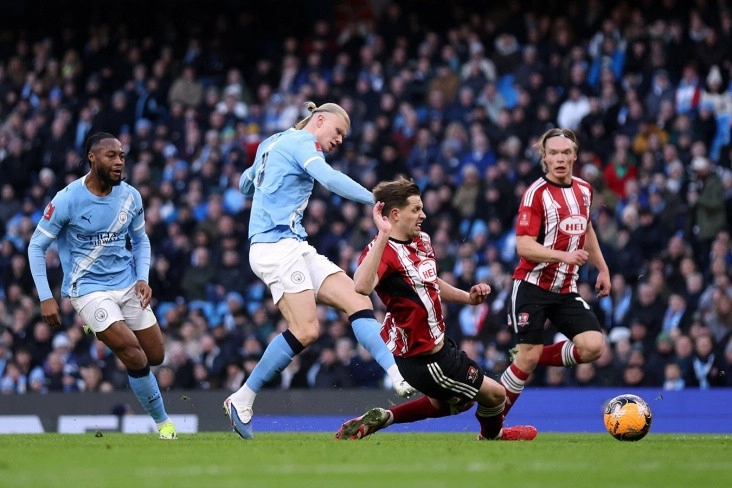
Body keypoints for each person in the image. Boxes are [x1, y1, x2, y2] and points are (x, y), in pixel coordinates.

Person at [223, 102, 415, 440]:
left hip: (294, 245)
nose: (339, 139)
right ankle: (243, 398)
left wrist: (262, 177)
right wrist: (376, 201)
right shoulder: (303, 143)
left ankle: (396, 374)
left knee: (358, 298)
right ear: (319, 120)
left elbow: (243, 185)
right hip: (275, 246)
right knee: (306, 330)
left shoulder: (272, 141)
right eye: (338, 131)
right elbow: (328, 178)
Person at [334, 178, 536, 441]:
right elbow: (361, 286)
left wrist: (468, 298)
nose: (423, 215)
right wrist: (383, 233)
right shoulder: (382, 251)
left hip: (437, 348)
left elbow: (430, 281)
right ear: (395, 215)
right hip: (425, 359)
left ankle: (384, 417)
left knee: (457, 402)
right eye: (416, 209)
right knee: (496, 395)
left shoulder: (421, 240)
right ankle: (493, 437)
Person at [27, 132, 177, 440]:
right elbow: (36, 246)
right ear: (92, 158)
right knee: (133, 353)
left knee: (156, 356)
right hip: (87, 288)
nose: (119, 161)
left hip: (126, 284)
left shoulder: (130, 197)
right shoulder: (67, 199)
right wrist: (46, 297)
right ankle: (164, 424)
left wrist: (143, 278)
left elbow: (140, 240)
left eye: (121, 156)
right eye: (111, 155)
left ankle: (97, 328)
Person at [499, 127, 611, 419]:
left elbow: (586, 228)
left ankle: (529, 356)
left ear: (574, 156)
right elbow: (524, 246)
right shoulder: (535, 194)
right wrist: (564, 256)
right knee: (527, 360)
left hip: (564, 290)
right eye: (553, 153)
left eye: (565, 153)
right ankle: (491, 424)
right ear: (545, 158)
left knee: (593, 346)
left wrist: (602, 268)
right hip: (531, 286)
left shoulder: (584, 190)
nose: (560, 158)